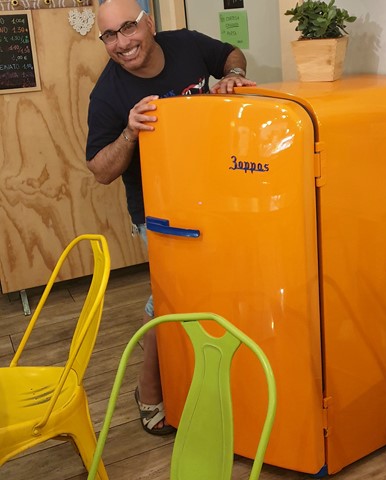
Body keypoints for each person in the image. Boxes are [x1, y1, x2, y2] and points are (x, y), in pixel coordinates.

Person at [85, 0, 256, 435]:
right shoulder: (107, 94)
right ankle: (150, 389)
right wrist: (130, 132)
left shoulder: (186, 44)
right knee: (170, 301)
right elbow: (100, 170)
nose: (122, 42)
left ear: (149, 24)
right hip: (159, 215)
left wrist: (233, 75)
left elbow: (230, 54)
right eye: (109, 35)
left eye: (128, 27)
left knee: (214, 292)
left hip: (218, 197)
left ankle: (220, 385)